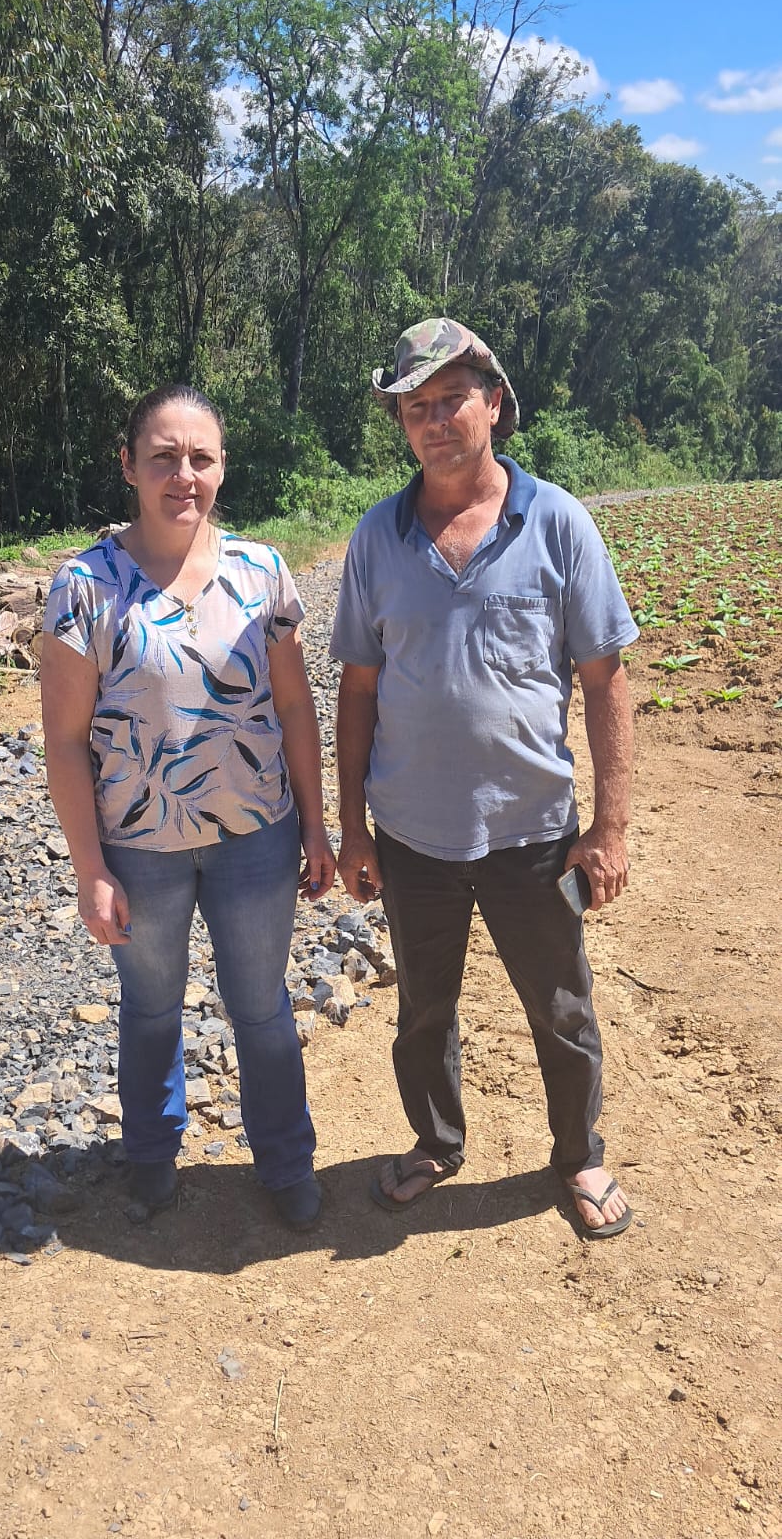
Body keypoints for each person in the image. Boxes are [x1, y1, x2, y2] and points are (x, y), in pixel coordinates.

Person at [331, 319, 638, 1239]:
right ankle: (436, 1143)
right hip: (412, 837)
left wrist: (610, 828)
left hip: (533, 831)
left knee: (561, 1008)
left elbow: (605, 679)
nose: (434, 421)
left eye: (452, 399)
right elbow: (357, 690)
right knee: (424, 1007)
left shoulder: (557, 523)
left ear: (494, 402)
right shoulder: (377, 538)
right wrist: (352, 829)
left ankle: (579, 1155)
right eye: (414, 407)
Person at [40, 382, 335, 1230]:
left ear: (222, 468)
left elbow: (293, 707)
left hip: (257, 839)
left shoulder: (261, 572)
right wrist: (90, 870)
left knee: (263, 1009)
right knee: (150, 1009)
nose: (184, 475)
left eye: (200, 458)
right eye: (163, 457)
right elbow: (64, 741)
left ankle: (285, 1161)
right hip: (140, 848)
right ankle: (151, 1153)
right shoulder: (85, 587)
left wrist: (316, 826)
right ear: (129, 466)